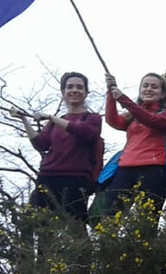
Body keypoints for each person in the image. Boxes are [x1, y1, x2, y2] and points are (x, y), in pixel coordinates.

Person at [17, 71, 103, 223]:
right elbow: (41, 144)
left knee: (76, 224)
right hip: (48, 176)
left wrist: (52, 118)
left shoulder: (92, 118)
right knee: (43, 225)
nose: (74, 90)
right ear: (63, 92)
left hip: (76, 179)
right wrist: (24, 120)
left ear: (86, 93)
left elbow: (85, 132)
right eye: (70, 87)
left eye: (79, 87)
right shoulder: (55, 121)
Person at [104, 71, 166, 219]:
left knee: (147, 219)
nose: (149, 89)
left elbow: (152, 121)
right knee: (110, 217)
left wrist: (123, 99)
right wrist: (111, 93)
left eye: (154, 87)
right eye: (145, 86)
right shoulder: (133, 116)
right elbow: (112, 120)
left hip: (153, 169)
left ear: (163, 94)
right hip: (125, 168)